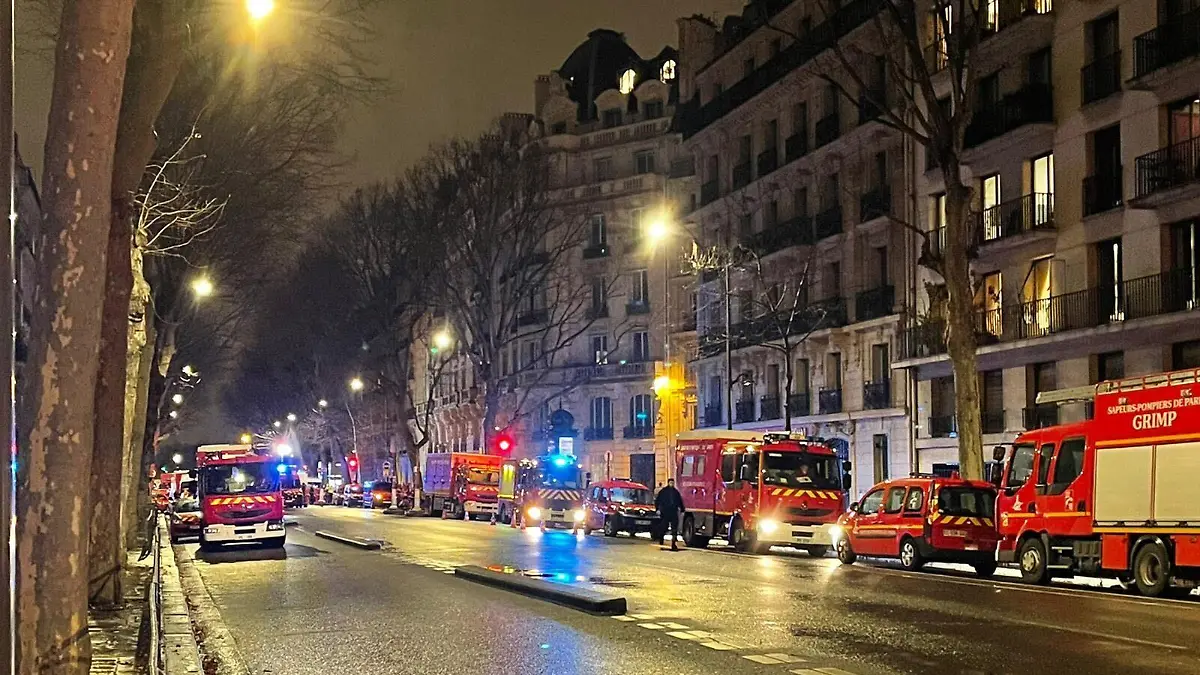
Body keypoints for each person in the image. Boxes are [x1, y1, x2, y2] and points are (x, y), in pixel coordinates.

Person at [655, 478, 685, 551]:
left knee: (674, 528)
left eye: (672, 483)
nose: (672, 484)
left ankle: (673, 543)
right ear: (668, 483)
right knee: (663, 527)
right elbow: (658, 501)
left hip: (673, 512)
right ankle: (661, 538)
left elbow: (679, 501)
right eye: (670, 482)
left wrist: (682, 509)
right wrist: (658, 509)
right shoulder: (663, 491)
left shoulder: (675, 492)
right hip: (665, 512)